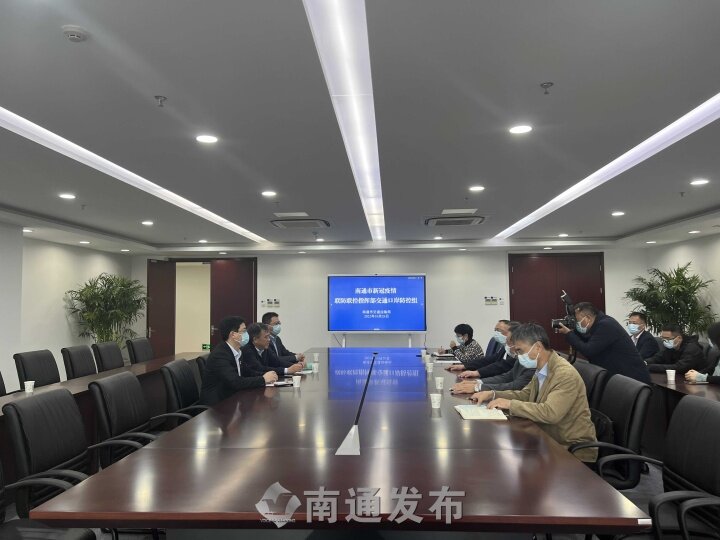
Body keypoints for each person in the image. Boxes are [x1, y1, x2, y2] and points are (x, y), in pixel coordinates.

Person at [470, 323, 597, 463]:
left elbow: (551, 413)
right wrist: (492, 394)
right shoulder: (542, 368)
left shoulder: (564, 374)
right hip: (548, 439)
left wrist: (510, 404)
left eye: (520, 351)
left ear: (537, 347)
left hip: (571, 449)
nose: (518, 356)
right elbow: (525, 395)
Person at [558, 302, 651, 384]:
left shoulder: (606, 325)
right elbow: (586, 341)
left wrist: (569, 334)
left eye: (577, 320)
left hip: (633, 379)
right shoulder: (598, 324)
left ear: (588, 318)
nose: (576, 323)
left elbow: (589, 350)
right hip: (620, 377)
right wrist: (572, 332)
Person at [199, 316, 277, 405]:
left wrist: (267, 375)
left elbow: (247, 372)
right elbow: (235, 382)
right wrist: (263, 379)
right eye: (244, 331)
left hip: (232, 398)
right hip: (217, 405)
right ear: (233, 334)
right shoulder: (220, 354)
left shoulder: (237, 351)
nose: (247, 334)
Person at [451, 326, 534, 393]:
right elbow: (508, 376)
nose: (508, 346)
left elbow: (516, 386)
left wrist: (479, 387)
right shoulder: (520, 357)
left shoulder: (530, 363)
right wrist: (478, 382)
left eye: (509, 342)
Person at [453, 322, 521, 379]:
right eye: (495, 330)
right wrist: (465, 366)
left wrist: (478, 376)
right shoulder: (505, 347)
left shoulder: (517, 354)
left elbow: (502, 366)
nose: (497, 333)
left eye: (500, 331)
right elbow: (490, 360)